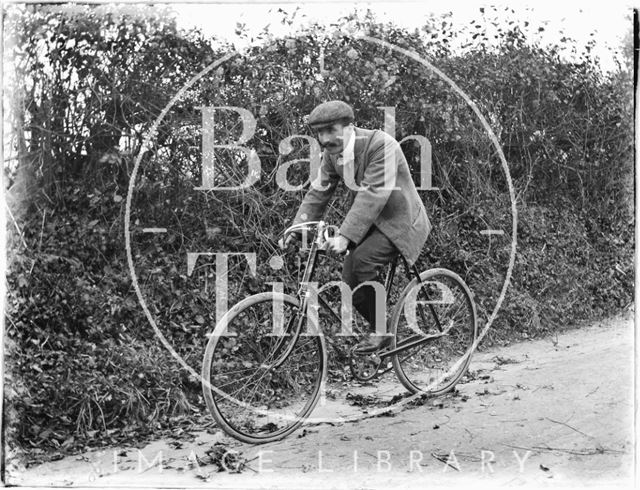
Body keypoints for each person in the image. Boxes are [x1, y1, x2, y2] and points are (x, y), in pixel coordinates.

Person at [280, 100, 431, 352]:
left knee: (362, 261)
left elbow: (373, 193)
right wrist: (297, 229)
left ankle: (382, 331)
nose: (325, 138)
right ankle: (381, 327)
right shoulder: (332, 155)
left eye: (331, 130)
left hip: (401, 220)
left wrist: (345, 236)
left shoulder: (381, 145)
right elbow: (319, 192)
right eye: (319, 132)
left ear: (349, 127)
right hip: (371, 222)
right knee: (349, 280)